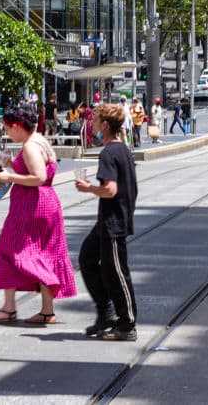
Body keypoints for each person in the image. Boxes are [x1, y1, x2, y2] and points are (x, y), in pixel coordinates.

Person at [0, 106, 77, 324]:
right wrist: (10, 164)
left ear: (17, 126)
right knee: (45, 253)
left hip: (31, 207)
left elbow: (38, 177)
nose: (8, 133)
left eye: (8, 128)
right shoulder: (41, 141)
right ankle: (47, 311)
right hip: (48, 204)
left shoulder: (29, 147)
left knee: (7, 252)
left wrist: (9, 178)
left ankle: (9, 309)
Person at [75, 102, 139, 341]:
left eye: (94, 120)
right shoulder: (123, 149)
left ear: (104, 125)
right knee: (87, 258)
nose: (91, 124)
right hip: (108, 221)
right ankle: (105, 313)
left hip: (113, 222)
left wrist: (87, 188)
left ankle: (127, 323)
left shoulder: (109, 153)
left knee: (117, 272)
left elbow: (110, 190)